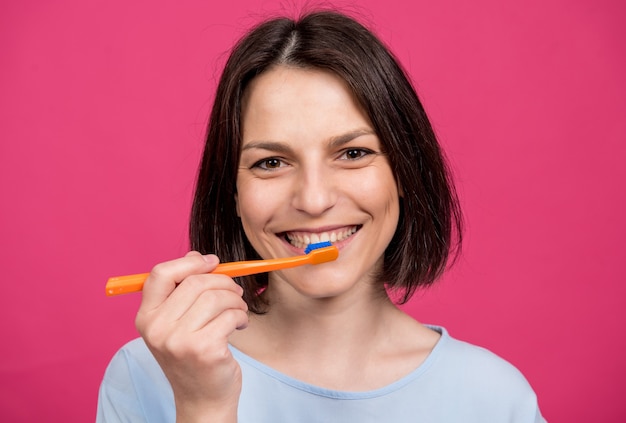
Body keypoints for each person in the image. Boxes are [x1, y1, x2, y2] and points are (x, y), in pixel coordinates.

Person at [97, 10, 546, 423]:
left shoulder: (494, 398)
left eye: (353, 153)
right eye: (271, 162)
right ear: (232, 193)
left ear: (404, 173)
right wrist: (203, 406)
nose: (313, 201)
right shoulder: (146, 375)